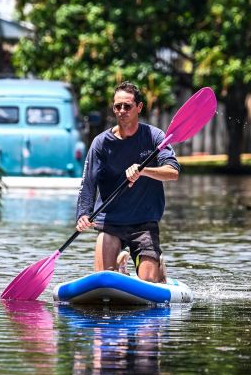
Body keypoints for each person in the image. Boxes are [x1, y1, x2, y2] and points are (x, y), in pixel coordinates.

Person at [75, 82, 180, 282]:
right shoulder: (101, 143)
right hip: (110, 223)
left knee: (149, 283)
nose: (122, 111)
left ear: (139, 108)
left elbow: (173, 172)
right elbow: (88, 183)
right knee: (103, 278)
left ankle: (157, 271)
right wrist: (83, 214)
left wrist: (143, 170)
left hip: (144, 223)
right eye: (117, 106)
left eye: (127, 106)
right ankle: (119, 270)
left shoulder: (154, 137)